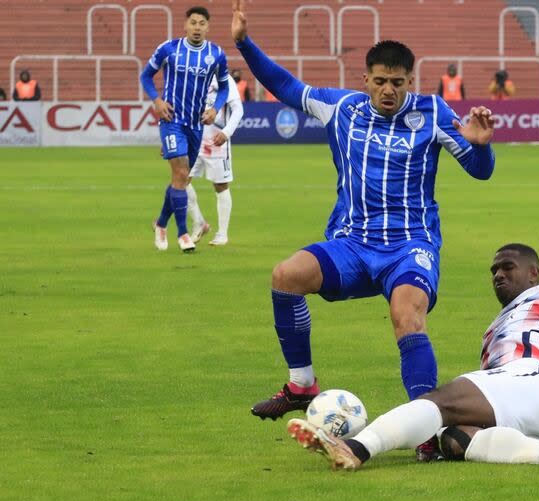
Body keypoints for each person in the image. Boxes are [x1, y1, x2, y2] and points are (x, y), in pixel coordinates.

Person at [231, 0, 496, 460]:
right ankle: (301, 385)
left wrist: (480, 147)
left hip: (410, 245)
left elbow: (479, 171)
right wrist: (243, 43)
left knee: (407, 316)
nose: (388, 90)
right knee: (286, 276)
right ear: (365, 80)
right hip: (352, 244)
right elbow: (284, 85)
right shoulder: (342, 108)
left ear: (410, 82)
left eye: (397, 82)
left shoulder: (433, 112)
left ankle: (426, 427)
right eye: (380, 81)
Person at [286, 192, 539, 471]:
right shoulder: (495, 330)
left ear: (534, 272)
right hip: (536, 411)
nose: (498, 275)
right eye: (493, 271)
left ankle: (355, 450)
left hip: (533, 379)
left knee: (441, 400)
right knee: (454, 438)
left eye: (508, 267)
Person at [140, 6, 230, 252]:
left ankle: (160, 223)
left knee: (180, 178)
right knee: (180, 172)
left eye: (202, 23)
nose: (197, 27)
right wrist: (157, 101)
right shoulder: (168, 49)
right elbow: (146, 76)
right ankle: (183, 235)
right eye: (193, 23)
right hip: (172, 121)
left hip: (195, 125)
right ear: (185, 25)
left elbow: (224, 88)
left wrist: (215, 109)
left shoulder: (217, 54)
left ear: (208, 27)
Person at [187, 74, 243, 246]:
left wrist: (226, 133)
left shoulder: (224, 79)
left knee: (220, 186)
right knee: (180, 180)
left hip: (216, 141)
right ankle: (199, 223)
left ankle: (222, 234)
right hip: (194, 139)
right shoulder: (192, 75)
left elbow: (238, 109)